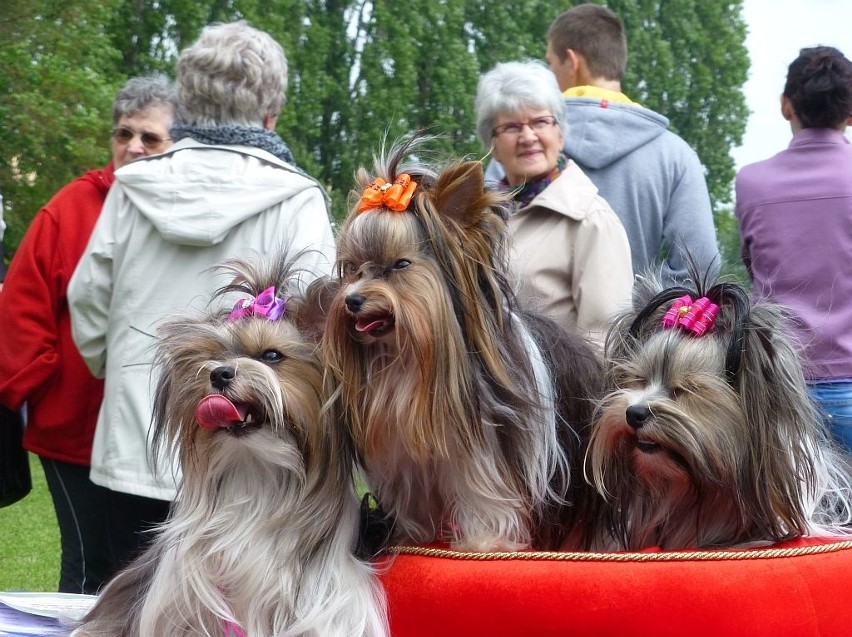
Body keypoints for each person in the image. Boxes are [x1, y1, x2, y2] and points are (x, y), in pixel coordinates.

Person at [68, 21, 335, 573]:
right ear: (271, 111)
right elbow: (317, 321)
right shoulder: (296, 195)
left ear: (185, 99)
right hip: (250, 448)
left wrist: (119, 371)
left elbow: (89, 299)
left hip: (135, 441)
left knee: (129, 599)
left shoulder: (133, 186)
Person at [0, 74, 177, 593]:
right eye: (124, 134)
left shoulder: (184, 209)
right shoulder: (70, 208)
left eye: (150, 137)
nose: (134, 147)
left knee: (155, 572)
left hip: (157, 428)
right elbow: (20, 309)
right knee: (89, 570)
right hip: (75, 430)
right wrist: (41, 388)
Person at [487, 4, 719, 284]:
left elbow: (486, 245)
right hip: (636, 325)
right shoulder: (675, 155)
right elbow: (701, 265)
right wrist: (641, 315)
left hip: (525, 323)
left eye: (551, 63)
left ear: (572, 61)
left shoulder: (517, 143)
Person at [735, 46, 852, 454]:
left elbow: (753, 271)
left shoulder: (752, 183)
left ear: (787, 106)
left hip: (778, 388)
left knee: (792, 517)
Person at [475, 60, 633, 347]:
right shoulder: (481, 219)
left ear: (560, 135)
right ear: (493, 146)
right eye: (511, 127)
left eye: (540, 122)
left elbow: (606, 339)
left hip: (558, 390)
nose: (528, 137)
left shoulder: (590, 219)